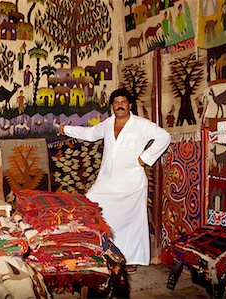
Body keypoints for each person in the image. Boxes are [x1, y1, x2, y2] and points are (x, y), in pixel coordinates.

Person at [58, 88, 171, 274]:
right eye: (116, 102)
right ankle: (103, 252)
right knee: (91, 204)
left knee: (132, 222)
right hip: (107, 180)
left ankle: (129, 260)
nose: (120, 105)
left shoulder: (141, 124)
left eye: (123, 102)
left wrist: (145, 158)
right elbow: (90, 134)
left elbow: (164, 137)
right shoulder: (108, 123)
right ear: (112, 106)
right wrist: (66, 129)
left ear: (130, 105)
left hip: (132, 183)